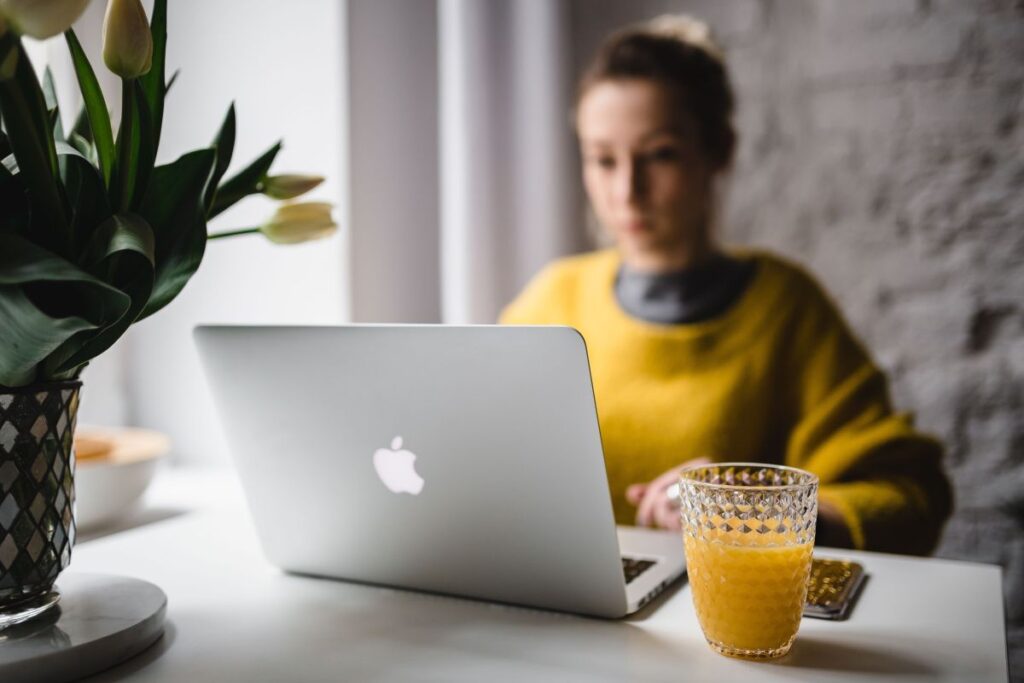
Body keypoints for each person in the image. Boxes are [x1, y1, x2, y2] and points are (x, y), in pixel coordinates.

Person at [499, 15, 952, 555]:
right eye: (602, 159)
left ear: (719, 150)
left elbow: (912, 497)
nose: (627, 190)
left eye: (660, 154)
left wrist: (762, 511)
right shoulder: (552, 298)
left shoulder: (785, 308)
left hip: (722, 629)